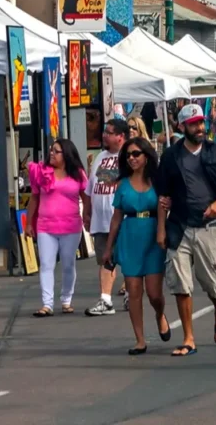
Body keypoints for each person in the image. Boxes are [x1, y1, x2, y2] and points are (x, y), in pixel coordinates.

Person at [156, 104, 216, 356]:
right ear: (181, 127)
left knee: (214, 283)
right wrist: (160, 229)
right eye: (193, 124)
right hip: (179, 226)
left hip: (208, 226)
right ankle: (189, 337)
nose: (200, 128)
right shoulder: (171, 156)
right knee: (180, 283)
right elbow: (162, 194)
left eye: (201, 123)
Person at [101, 137, 171, 354]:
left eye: (136, 154)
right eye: (128, 155)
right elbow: (116, 218)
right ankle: (140, 340)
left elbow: (163, 206)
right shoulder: (121, 183)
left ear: (146, 156)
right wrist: (108, 247)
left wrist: (161, 230)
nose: (131, 158)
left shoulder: (157, 180)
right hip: (129, 236)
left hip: (152, 236)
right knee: (133, 291)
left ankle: (160, 314)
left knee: (154, 294)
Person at [26, 139, 88, 317]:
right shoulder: (41, 172)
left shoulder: (77, 173)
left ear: (66, 154)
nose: (51, 153)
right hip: (45, 226)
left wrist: (88, 216)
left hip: (71, 226)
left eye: (56, 151)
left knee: (68, 264)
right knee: (46, 264)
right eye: (51, 150)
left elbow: (86, 198)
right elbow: (34, 198)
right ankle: (47, 304)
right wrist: (29, 222)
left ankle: (66, 299)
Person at [86, 119, 129, 317]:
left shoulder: (129, 156)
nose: (105, 135)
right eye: (105, 132)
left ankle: (131, 293)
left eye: (109, 133)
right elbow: (91, 189)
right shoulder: (100, 157)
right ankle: (106, 300)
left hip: (123, 219)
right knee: (106, 259)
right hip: (101, 220)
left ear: (120, 136)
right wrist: (87, 213)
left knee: (128, 259)